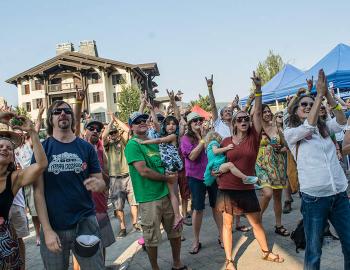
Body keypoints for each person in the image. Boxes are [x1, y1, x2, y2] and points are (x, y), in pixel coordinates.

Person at [216, 72, 284, 270]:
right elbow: (216, 163)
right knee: (227, 225)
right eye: (240, 120)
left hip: (246, 188)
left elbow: (256, 113)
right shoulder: (226, 141)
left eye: (246, 119)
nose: (244, 121)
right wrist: (216, 171)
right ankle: (229, 261)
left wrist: (258, 91)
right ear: (234, 124)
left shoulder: (253, 138)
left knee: (256, 223)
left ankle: (266, 253)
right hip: (227, 188)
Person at [284, 69, 350, 270]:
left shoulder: (324, 128)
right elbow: (308, 126)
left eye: (311, 105)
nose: (308, 106)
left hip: (338, 194)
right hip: (314, 198)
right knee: (314, 252)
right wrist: (318, 94)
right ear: (296, 110)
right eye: (304, 104)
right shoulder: (292, 132)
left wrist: (328, 95)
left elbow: (341, 120)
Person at [33, 100, 106, 270]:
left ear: (73, 118)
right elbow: (38, 194)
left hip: (85, 223)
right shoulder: (42, 149)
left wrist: (99, 184)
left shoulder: (86, 148)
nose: (63, 114)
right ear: (51, 120)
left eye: (67, 111)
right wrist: (47, 230)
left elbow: (100, 181)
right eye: (57, 112)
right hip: (54, 226)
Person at [125, 111, 190, 270]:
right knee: (151, 239)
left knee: (176, 232)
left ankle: (177, 263)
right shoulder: (133, 145)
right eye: (136, 121)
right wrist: (167, 179)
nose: (141, 122)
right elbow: (144, 171)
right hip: (149, 198)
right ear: (131, 127)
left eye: (143, 120)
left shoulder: (154, 140)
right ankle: (155, 268)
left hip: (167, 194)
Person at [0, 111, 48, 270]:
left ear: (13, 157)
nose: (4, 149)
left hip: (4, 245)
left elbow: (41, 165)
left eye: (9, 148)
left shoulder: (14, 179)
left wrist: (33, 132)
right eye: (0, 146)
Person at [206, 74, 250, 233]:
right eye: (224, 111)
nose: (227, 112)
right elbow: (212, 106)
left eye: (229, 111)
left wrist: (237, 106)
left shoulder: (236, 124)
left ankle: (238, 222)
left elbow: (244, 115)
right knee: (225, 190)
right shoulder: (218, 123)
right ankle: (227, 223)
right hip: (222, 158)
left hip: (237, 157)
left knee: (238, 188)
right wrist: (210, 88)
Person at [181, 111, 223, 254]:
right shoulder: (186, 139)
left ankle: (222, 236)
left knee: (216, 206)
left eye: (200, 119)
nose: (198, 122)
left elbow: (217, 153)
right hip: (195, 177)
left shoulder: (210, 134)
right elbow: (192, 156)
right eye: (195, 121)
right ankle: (196, 240)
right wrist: (203, 140)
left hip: (211, 175)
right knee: (198, 209)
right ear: (189, 124)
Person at [135, 115, 184, 229]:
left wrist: (142, 142)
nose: (171, 126)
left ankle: (177, 216)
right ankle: (176, 215)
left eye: (173, 124)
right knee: (171, 193)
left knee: (173, 194)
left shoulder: (173, 136)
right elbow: (157, 125)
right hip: (168, 167)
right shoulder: (163, 133)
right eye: (168, 124)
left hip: (171, 167)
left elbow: (159, 140)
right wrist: (151, 110)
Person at [102, 112, 140, 237]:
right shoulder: (108, 145)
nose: (112, 135)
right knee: (118, 205)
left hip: (128, 175)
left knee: (133, 202)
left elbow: (127, 130)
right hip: (115, 178)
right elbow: (104, 136)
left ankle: (135, 223)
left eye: (114, 132)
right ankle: (123, 227)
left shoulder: (124, 142)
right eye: (111, 133)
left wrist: (115, 119)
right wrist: (111, 123)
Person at [255, 104, 289, 236]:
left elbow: (288, 145)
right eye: (264, 112)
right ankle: (257, 219)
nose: (268, 114)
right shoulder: (257, 129)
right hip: (262, 165)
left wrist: (283, 149)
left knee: (277, 197)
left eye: (269, 111)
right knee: (267, 193)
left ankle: (279, 225)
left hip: (278, 165)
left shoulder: (277, 128)